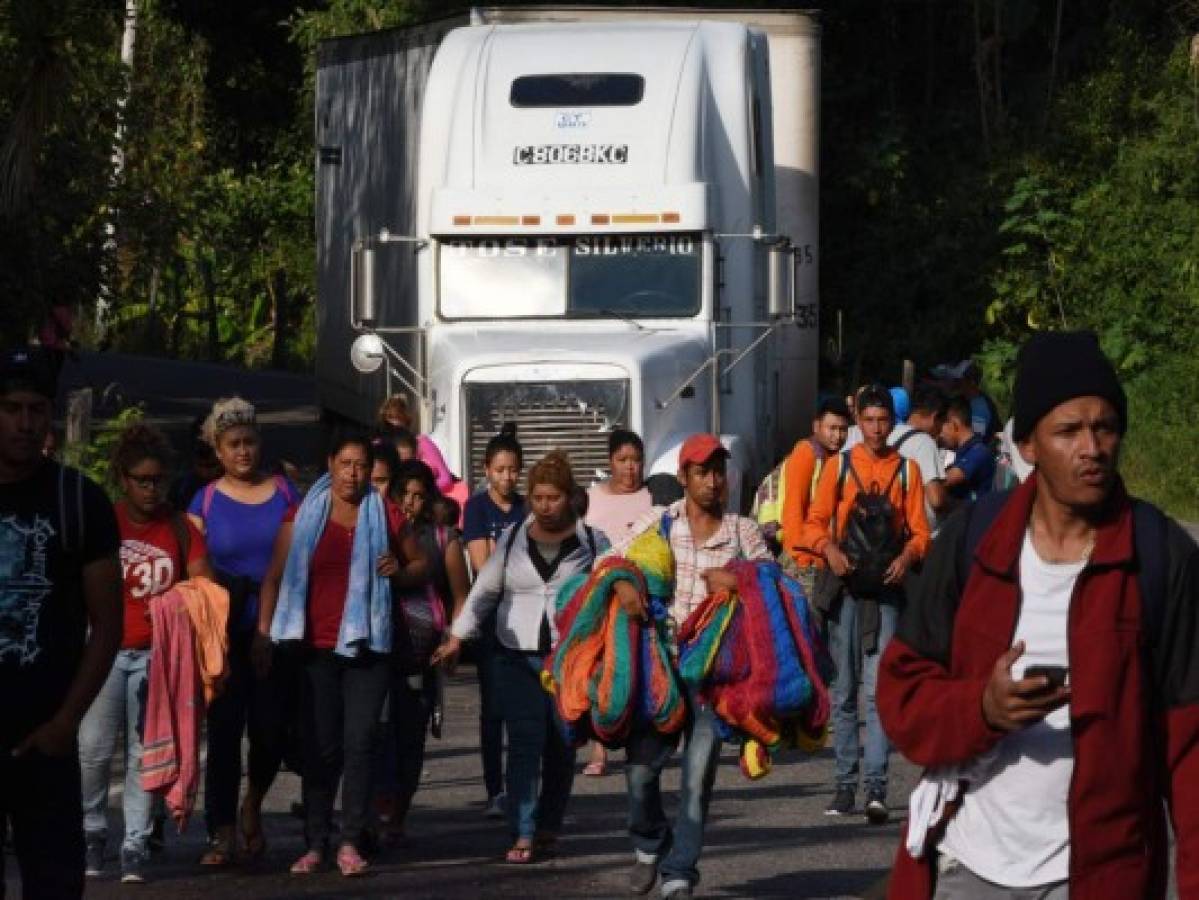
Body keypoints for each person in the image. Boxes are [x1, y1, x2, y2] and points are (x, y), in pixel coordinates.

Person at [878, 331, 1199, 899]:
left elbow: (1191, 749)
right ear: (1027, 445)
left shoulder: (1160, 555)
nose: (1092, 448)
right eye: (1069, 431)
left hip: (1096, 878)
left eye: (1104, 427)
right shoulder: (973, 541)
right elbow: (902, 698)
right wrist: (982, 708)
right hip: (966, 867)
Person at [605, 433, 772, 900]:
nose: (713, 480)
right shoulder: (659, 522)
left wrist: (737, 579)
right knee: (640, 774)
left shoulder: (743, 531)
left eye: (719, 470)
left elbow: (777, 585)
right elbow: (610, 560)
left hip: (714, 679)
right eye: (702, 471)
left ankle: (680, 871)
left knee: (697, 777)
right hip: (659, 669)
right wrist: (624, 587)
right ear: (683, 477)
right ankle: (649, 843)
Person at [258, 430, 427, 876]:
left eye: (361, 466)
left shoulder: (384, 512)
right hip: (315, 650)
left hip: (368, 648)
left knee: (360, 744)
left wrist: (398, 569)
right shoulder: (303, 514)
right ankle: (315, 842)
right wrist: (264, 633)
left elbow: (420, 562)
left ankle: (351, 841)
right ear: (330, 463)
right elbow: (274, 578)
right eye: (346, 464)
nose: (354, 474)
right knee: (320, 747)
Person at [434, 450, 607, 864]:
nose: (546, 506)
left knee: (562, 746)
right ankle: (524, 830)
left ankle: (550, 825)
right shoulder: (512, 540)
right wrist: (457, 638)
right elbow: (484, 593)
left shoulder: (593, 542)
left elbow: (610, 586)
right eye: (539, 498)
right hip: (517, 657)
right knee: (526, 744)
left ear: (569, 497)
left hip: (568, 659)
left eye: (554, 498)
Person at [0, 347, 122, 898]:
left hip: (46, 741)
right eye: (11, 409)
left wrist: (66, 721)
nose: (25, 423)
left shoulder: (79, 500)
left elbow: (108, 624)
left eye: (35, 409)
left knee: (53, 885)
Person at [78, 423, 211, 883]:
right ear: (123, 478)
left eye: (158, 479)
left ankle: (134, 842)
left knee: (145, 754)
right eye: (142, 479)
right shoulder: (103, 521)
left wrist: (177, 603)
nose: (152, 489)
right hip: (104, 652)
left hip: (158, 656)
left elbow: (204, 586)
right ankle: (92, 833)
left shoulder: (179, 528)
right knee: (92, 750)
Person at [801, 385, 930, 824]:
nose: (876, 428)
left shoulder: (908, 472)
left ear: (892, 423)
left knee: (878, 693)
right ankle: (844, 785)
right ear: (860, 423)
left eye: (883, 420)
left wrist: (908, 557)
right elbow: (811, 525)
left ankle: (876, 787)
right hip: (846, 591)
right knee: (843, 691)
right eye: (869, 420)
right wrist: (830, 551)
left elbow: (920, 532)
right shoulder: (838, 468)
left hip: (888, 594)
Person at [185, 397, 299, 866]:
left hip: (277, 627)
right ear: (218, 448)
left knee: (271, 730)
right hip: (223, 634)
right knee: (226, 731)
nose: (244, 452)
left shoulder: (286, 493)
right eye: (233, 444)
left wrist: (270, 632)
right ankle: (222, 832)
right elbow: (190, 566)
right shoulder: (204, 499)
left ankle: (254, 802)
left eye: (250, 442)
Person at [382, 460, 471, 840]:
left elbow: (461, 597)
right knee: (375, 735)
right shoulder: (379, 533)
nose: (411, 503)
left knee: (411, 739)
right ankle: (375, 810)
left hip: (423, 653)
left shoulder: (443, 539)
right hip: (379, 649)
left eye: (419, 496)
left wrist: (454, 639)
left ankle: (397, 815)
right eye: (405, 494)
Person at [461, 423, 526, 818]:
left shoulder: (526, 508)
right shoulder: (477, 508)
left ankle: (520, 784)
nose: (507, 477)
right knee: (493, 708)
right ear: (487, 470)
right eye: (500, 469)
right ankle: (494, 789)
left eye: (513, 469)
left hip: (526, 618)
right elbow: (482, 565)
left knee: (524, 708)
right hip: (491, 620)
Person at [582, 429, 654, 777]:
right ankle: (599, 749)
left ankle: (636, 745)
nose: (630, 469)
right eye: (623, 460)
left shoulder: (652, 499)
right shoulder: (591, 498)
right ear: (610, 462)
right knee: (603, 668)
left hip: (641, 597)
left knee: (636, 667)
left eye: (636, 460)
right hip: (602, 595)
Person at [781, 397, 852, 599]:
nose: (837, 436)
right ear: (816, 426)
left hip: (822, 557)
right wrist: (801, 558)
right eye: (832, 428)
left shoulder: (834, 458)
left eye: (843, 429)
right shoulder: (806, 453)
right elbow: (793, 509)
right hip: (804, 561)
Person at [891, 386, 951, 535]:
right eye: (943, 423)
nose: (942, 430)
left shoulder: (890, 434)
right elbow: (936, 499)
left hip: (891, 529)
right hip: (917, 536)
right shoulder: (925, 443)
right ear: (935, 417)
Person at [377, 394, 454, 492]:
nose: (394, 431)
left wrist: (421, 492)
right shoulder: (378, 446)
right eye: (388, 426)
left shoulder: (422, 442)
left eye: (398, 427)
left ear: (406, 422)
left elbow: (445, 479)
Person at [939, 396, 996, 503]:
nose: (940, 434)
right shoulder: (962, 451)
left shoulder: (979, 452)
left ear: (954, 424)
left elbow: (948, 479)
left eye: (942, 427)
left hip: (974, 515)